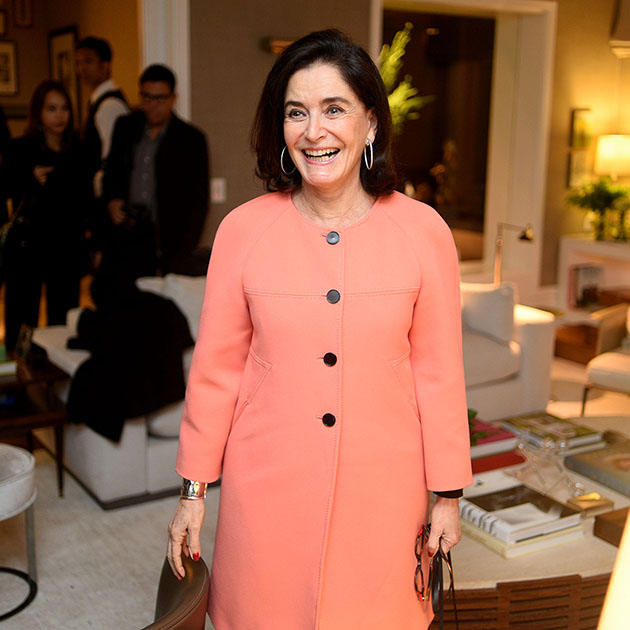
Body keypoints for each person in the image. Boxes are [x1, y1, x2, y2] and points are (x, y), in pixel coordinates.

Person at [166, 30, 472, 630]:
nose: (314, 131)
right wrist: (193, 493)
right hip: (265, 485)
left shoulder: (424, 232)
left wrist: (448, 495)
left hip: (385, 489)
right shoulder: (242, 231)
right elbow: (215, 373)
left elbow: (438, 374)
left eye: (334, 109)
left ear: (371, 123)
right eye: (296, 112)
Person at [3, 81, 91, 351]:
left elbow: (86, 202)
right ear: (38, 112)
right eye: (51, 109)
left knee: (62, 320)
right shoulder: (20, 149)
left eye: (64, 108)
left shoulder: (79, 151)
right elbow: (6, 189)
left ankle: (56, 371)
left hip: (66, 246)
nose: (59, 116)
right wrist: (30, 180)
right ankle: (20, 368)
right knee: (22, 318)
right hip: (27, 247)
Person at [101, 64, 209, 279]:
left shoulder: (191, 139)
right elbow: (111, 171)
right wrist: (112, 199)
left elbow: (199, 200)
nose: (152, 105)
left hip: (167, 236)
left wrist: (186, 249)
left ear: (173, 98)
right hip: (127, 232)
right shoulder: (125, 127)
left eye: (160, 99)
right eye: (147, 97)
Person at [75, 36, 129, 190]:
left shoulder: (109, 105)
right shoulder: (97, 101)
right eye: (78, 63)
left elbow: (111, 157)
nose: (82, 69)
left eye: (88, 61)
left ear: (105, 65)